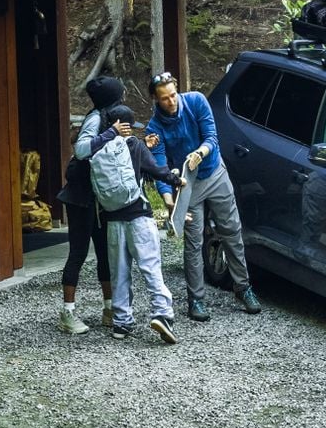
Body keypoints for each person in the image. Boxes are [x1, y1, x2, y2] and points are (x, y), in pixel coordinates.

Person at [145, 71, 261, 321]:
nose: (171, 101)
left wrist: (201, 152)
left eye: (173, 95)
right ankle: (196, 299)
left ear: (177, 89)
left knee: (231, 230)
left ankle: (243, 287)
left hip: (214, 172)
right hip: (188, 184)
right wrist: (169, 200)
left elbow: (211, 136)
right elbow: (160, 166)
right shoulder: (154, 128)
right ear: (156, 99)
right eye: (164, 98)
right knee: (193, 242)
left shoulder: (196, 101)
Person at [86, 103, 183, 343]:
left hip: (113, 221)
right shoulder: (134, 145)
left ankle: (121, 323)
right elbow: (155, 170)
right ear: (127, 126)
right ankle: (162, 314)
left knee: (119, 274)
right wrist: (175, 180)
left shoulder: (99, 149)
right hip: (139, 217)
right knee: (150, 268)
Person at [55, 74, 124, 335]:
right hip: (80, 199)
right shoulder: (96, 119)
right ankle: (67, 314)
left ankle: (109, 309)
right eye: (119, 94)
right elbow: (82, 150)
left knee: (105, 253)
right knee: (79, 253)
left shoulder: (109, 116)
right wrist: (111, 133)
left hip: (99, 198)